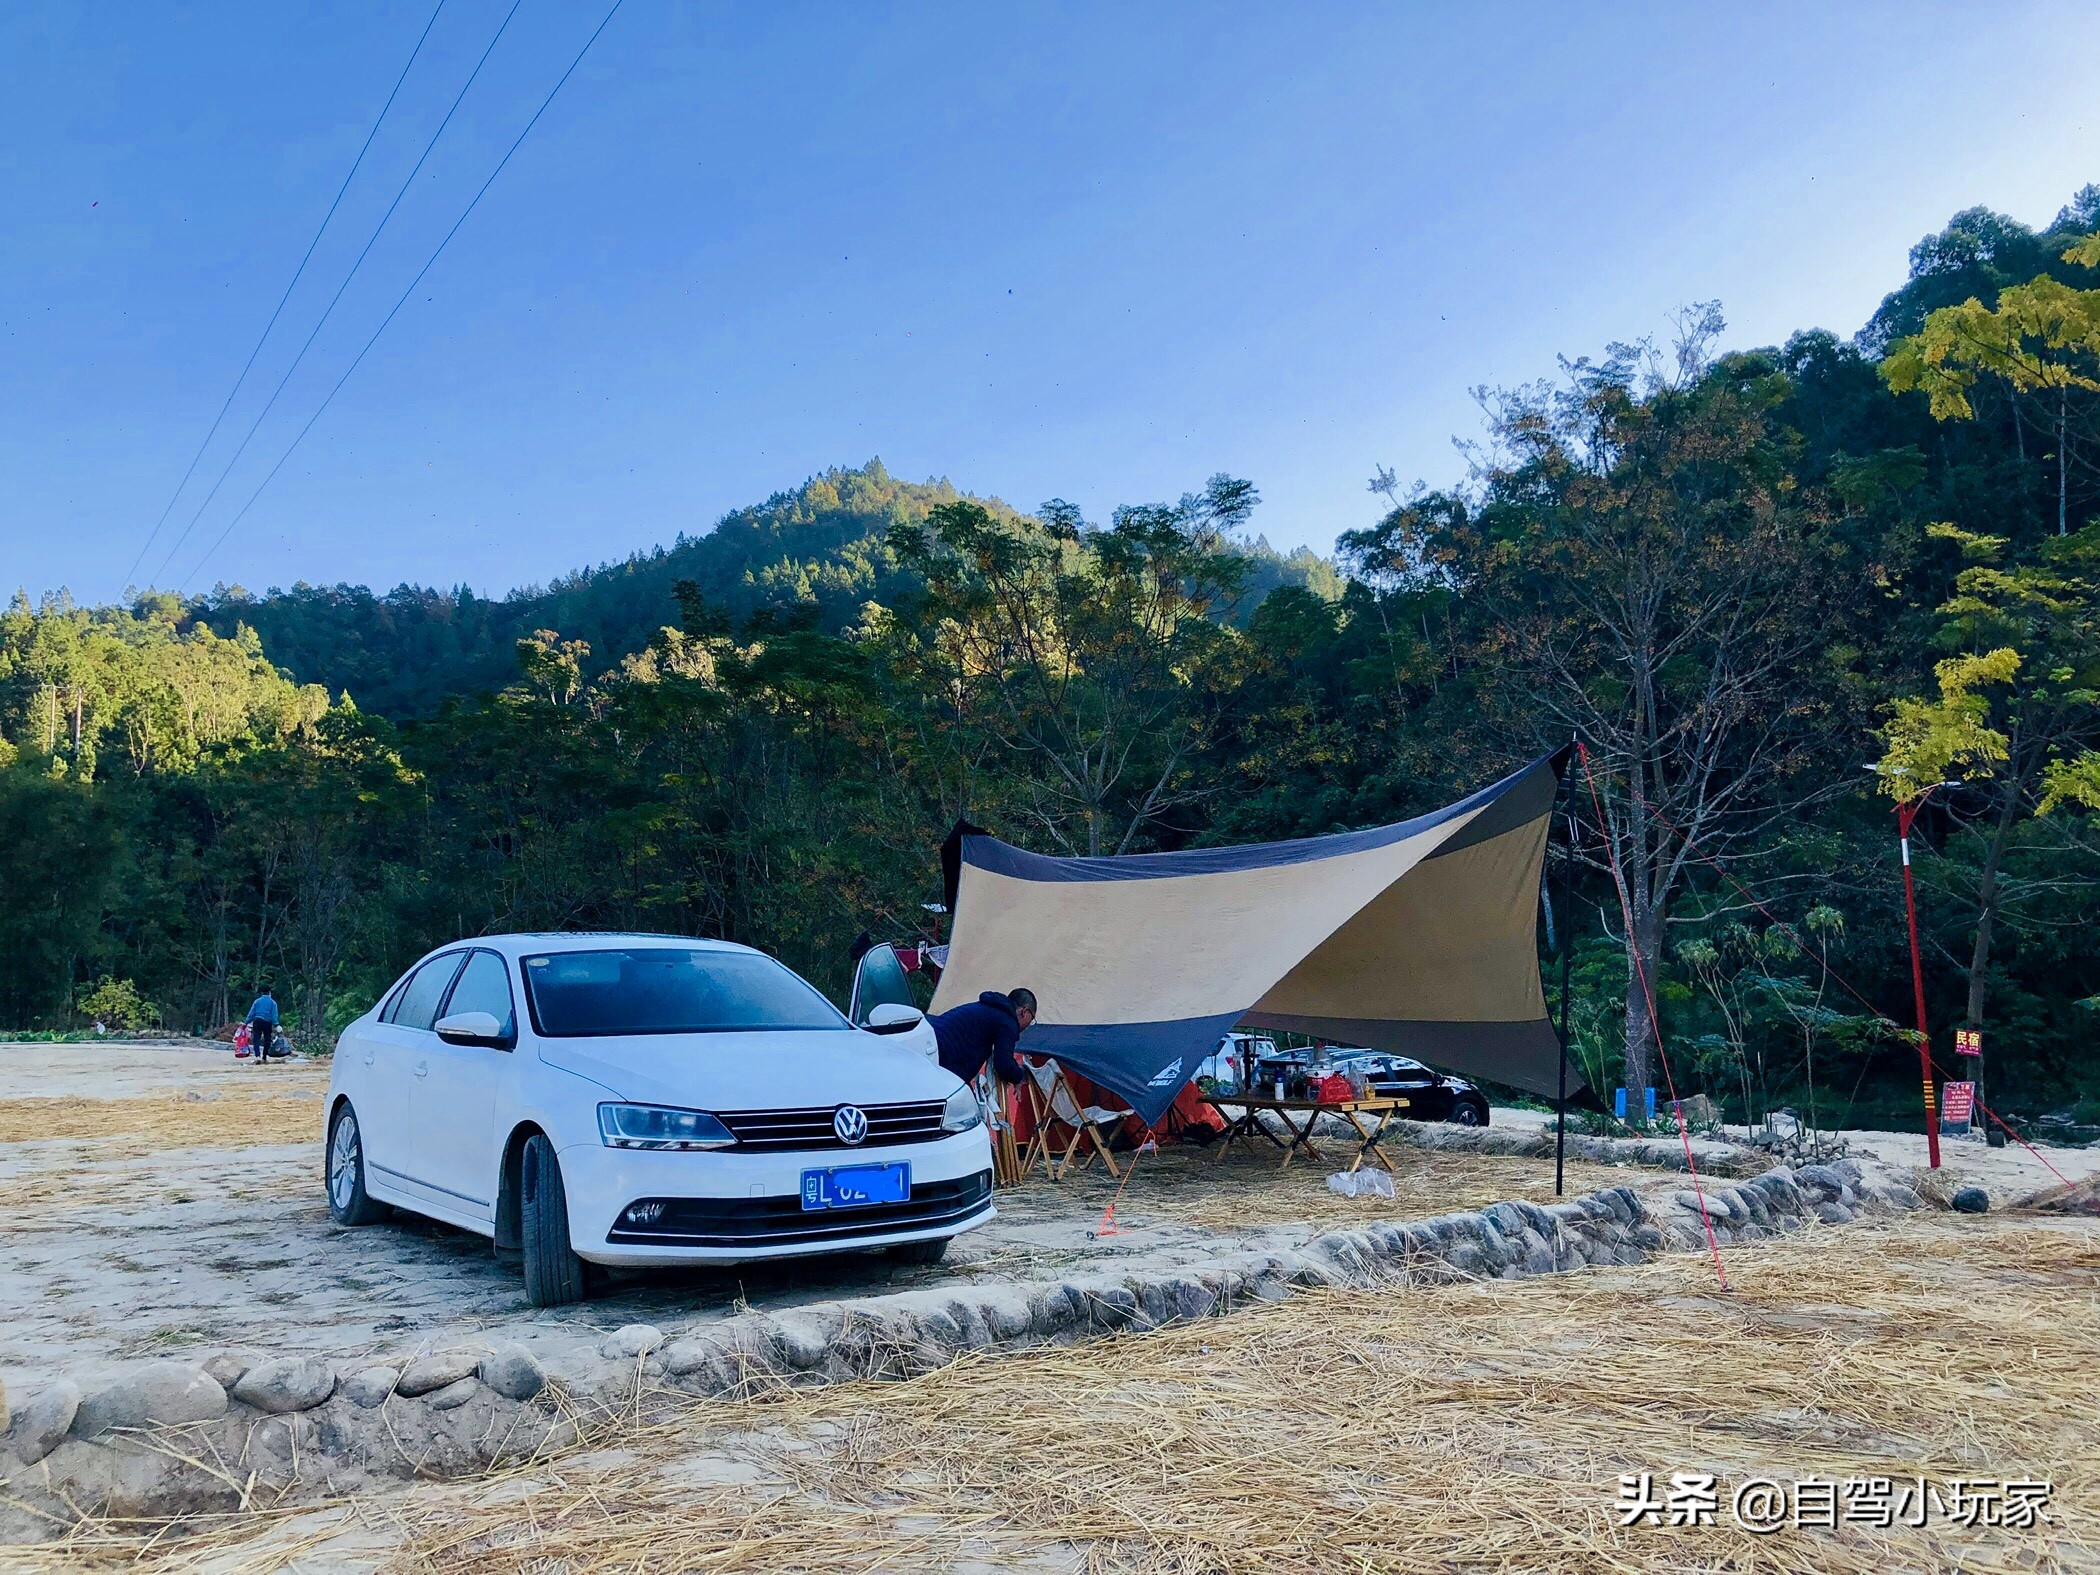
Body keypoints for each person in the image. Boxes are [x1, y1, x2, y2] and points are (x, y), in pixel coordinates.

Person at [929, 987, 1036, 1087]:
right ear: (1024, 1012)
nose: (1029, 1024)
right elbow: (1003, 1064)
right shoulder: (1008, 1022)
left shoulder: (990, 1008)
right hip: (942, 1055)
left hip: (930, 1040)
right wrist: (1019, 1077)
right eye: (1032, 1019)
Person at [245, 986, 283, 1061]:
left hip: (257, 1021)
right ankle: (264, 1057)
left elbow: (251, 1013)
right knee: (267, 1040)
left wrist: (246, 1022)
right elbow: (274, 1015)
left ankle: (257, 1056)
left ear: (262, 993)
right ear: (269, 993)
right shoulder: (273, 1003)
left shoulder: (257, 1001)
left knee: (256, 1039)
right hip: (267, 1022)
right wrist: (276, 1024)